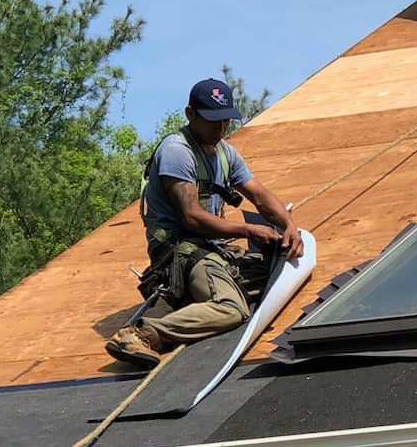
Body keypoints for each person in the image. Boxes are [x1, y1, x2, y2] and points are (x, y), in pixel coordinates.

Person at [105, 78, 302, 369]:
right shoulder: (177, 151)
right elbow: (192, 217)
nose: (221, 129)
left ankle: (208, 296)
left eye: (225, 121)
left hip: (212, 249)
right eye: (213, 121)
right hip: (179, 252)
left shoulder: (224, 153)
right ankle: (141, 335)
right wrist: (248, 229)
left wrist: (289, 226)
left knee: (278, 266)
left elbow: (259, 195)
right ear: (190, 114)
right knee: (232, 309)